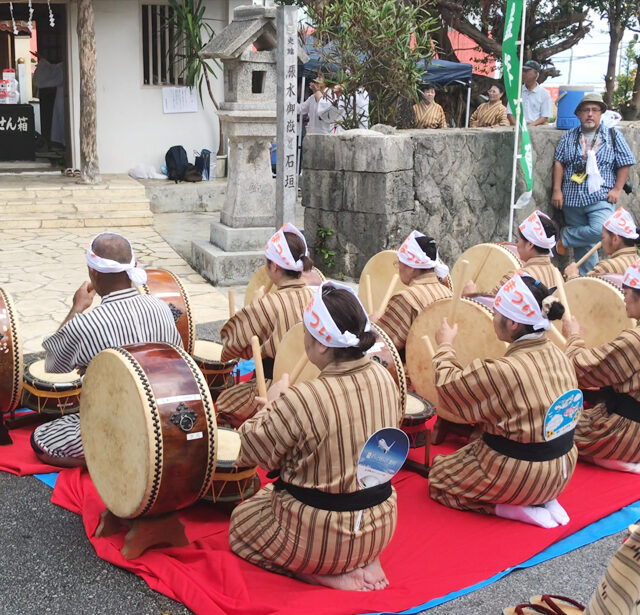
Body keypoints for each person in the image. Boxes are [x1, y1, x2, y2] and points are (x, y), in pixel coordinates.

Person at [229, 282, 402, 591]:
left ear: (322, 344)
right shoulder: (384, 377)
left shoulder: (304, 398)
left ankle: (317, 572)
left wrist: (272, 405)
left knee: (241, 523)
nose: (304, 338)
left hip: (321, 536)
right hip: (380, 525)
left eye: (307, 332)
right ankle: (365, 556)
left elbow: (247, 449)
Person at [429, 274, 579, 528]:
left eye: (497, 312)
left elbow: (449, 388)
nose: (493, 317)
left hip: (522, 474)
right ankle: (544, 498)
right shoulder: (559, 354)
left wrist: (445, 346)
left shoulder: (504, 370)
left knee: (439, 478)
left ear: (512, 324)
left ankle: (507, 506)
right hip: (562, 469)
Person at [31, 232, 182, 468]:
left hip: (118, 424)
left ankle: (109, 460)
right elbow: (180, 360)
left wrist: (77, 308)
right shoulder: (162, 308)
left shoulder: (85, 324)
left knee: (41, 439)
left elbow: (52, 364)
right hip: (164, 421)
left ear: (93, 272)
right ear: (131, 268)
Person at [216, 223, 315, 425]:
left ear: (275, 266)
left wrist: (255, 305)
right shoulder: (316, 297)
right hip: (312, 385)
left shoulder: (268, 304)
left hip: (272, 385)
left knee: (221, 405)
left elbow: (229, 346)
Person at [562, 259, 640, 473]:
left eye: (626, 292)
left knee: (546, 428)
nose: (624, 297)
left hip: (624, 432)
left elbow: (583, 371)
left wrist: (573, 337)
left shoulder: (635, 340)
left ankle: (615, 459)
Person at [552, 92, 636, 276]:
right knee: (585, 247)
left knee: (602, 230)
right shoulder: (569, 137)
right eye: (586, 110)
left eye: (594, 110)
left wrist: (617, 189)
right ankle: (587, 281)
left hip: (600, 197)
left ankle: (565, 236)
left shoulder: (613, 135)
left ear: (601, 114)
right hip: (572, 198)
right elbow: (559, 162)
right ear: (579, 114)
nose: (590, 114)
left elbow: (625, 162)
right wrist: (557, 190)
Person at [376, 230, 452, 354]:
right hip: (441, 365)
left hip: (413, 370)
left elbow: (384, 344)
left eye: (399, 264)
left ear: (411, 268)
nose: (398, 268)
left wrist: (373, 325)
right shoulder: (448, 293)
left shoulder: (406, 298)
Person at [464, 210, 563, 295]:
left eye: (518, 241)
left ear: (530, 245)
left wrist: (471, 296)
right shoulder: (557, 275)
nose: (517, 245)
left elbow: (491, 312)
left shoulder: (517, 278)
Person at [564, 206, 639, 279]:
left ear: (615, 239)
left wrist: (572, 275)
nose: (602, 243)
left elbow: (581, 289)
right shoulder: (637, 261)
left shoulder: (606, 267)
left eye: (603, 237)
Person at [506, 60, 553, 127]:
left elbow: (545, 116)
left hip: (536, 129)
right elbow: (510, 113)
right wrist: (518, 126)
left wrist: (529, 127)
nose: (524, 73)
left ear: (536, 74)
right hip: (517, 128)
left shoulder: (544, 93)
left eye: (527, 71)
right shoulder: (516, 91)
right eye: (523, 71)